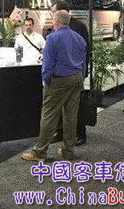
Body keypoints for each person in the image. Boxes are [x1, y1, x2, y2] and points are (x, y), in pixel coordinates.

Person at [21, 10, 86, 162]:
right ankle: (68, 151)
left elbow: (48, 63)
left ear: (55, 21)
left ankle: (40, 152)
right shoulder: (78, 38)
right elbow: (83, 60)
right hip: (76, 78)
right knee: (71, 116)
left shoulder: (52, 38)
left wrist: (46, 79)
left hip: (59, 80)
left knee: (49, 115)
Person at [51, 0, 89, 146]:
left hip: (74, 74)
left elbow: (85, 52)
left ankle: (80, 134)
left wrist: (83, 72)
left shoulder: (79, 26)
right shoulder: (57, 26)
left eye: (53, 11)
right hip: (60, 75)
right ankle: (61, 132)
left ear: (62, 11)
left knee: (75, 107)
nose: (52, 14)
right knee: (60, 106)